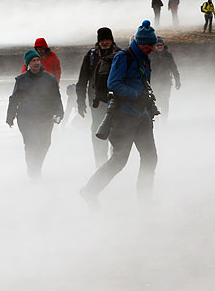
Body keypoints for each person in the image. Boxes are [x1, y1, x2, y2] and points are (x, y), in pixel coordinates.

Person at [80, 21, 159, 206]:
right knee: (119, 160)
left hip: (142, 116)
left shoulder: (144, 59)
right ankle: (89, 191)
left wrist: (147, 103)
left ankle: (145, 200)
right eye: (149, 45)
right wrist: (136, 95)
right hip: (123, 117)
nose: (153, 48)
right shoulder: (123, 57)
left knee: (150, 157)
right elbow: (113, 84)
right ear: (140, 43)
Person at [6, 49, 63, 180]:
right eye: (33, 61)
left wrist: (60, 113)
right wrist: (10, 117)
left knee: (45, 144)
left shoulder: (49, 79)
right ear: (28, 64)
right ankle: (33, 170)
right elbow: (14, 99)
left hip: (45, 117)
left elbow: (56, 98)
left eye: (37, 60)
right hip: (26, 118)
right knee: (32, 144)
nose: (36, 63)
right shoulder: (21, 80)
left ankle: (36, 167)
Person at [75, 27, 121, 167]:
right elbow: (82, 81)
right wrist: (80, 102)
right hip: (97, 103)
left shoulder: (120, 54)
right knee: (98, 132)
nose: (105, 42)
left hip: (117, 101)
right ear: (98, 41)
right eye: (102, 40)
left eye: (107, 39)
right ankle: (100, 164)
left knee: (116, 131)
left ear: (111, 40)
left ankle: (115, 161)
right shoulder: (91, 56)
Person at [150, 37, 181, 120]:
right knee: (156, 101)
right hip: (154, 82)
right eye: (158, 45)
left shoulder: (168, 55)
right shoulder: (150, 56)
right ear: (154, 46)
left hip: (166, 82)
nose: (160, 47)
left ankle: (164, 121)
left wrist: (177, 81)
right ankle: (156, 120)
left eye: (161, 45)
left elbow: (174, 69)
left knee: (165, 101)